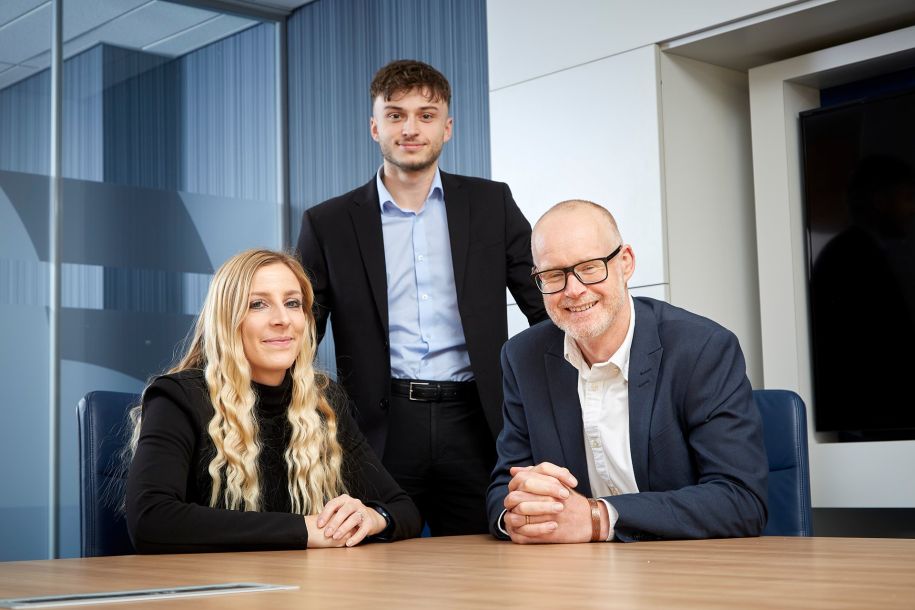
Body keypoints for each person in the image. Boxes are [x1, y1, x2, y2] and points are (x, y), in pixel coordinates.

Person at [296, 59, 546, 536]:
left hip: (478, 421)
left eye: (426, 115)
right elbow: (299, 335)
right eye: (395, 115)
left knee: (486, 556)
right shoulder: (328, 223)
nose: (410, 128)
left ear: (447, 127)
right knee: (373, 557)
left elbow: (545, 307)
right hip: (378, 427)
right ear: (375, 126)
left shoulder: (491, 204)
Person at [487, 200, 768, 543]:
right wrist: (516, 515)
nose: (573, 290)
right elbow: (505, 485)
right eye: (554, 275)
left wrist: (597, 517)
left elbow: (741, 500)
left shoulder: (702, 350)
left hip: (686, 563)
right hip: (573, 568)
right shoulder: (522, 357)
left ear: (626, 263)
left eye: (590, 267)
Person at [126, 249, 421, 553]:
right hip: (210, 582)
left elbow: (403, 508)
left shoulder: (323, 400)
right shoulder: (178, 398)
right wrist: (305, 529)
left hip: (300, 579)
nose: (282, 319)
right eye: (258, 304)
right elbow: (150, 519)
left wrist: (372, 517)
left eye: (293, 303)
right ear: (227, 319)